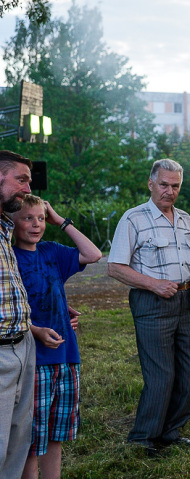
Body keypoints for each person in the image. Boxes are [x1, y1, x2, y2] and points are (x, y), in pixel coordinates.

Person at [107, 159, 190, 454]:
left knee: (189, 372)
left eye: (175, 186)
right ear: (151, 183)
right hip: (152, 302)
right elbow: (115, 267)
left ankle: (171, 431)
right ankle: (143, 437)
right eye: (164, 184)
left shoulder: (185, 219)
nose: (169, 191)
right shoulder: (133, 219)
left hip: (186, 301)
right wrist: (153, 284)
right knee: (161, 374)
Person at [13, 196, 101, 479]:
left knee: (56, 433)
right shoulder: (9, 258)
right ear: (12, 222)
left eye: (41, 218)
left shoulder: (52, 251)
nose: (36, 224)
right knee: (31, 439)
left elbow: (93, 254)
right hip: (33, 360)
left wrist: (59, 219)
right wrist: (36, 330)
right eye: (27, 218)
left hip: (66, 356)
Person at [0, 150, 36, 478]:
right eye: (20, 179)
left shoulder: (5, 229)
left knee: (17, 443)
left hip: (24, 344)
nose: (27, 188)